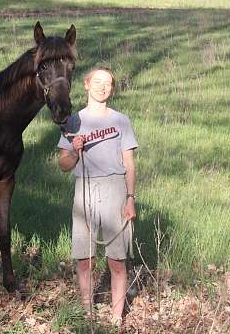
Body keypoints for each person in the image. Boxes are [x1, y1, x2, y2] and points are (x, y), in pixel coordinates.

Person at [57, 67, 138, 325]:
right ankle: (87, 312)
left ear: (112, 90)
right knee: (85, 260)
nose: (103, 87)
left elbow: (130, 163)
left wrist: (130, 197)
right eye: (98, 81)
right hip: (85, 190)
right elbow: (64, 165)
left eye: (109, 84)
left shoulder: (121, 120)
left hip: (115, 189)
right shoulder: (73, 122)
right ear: (86, 84)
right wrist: (74, 150)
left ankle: (116, 316)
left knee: (117, 260)